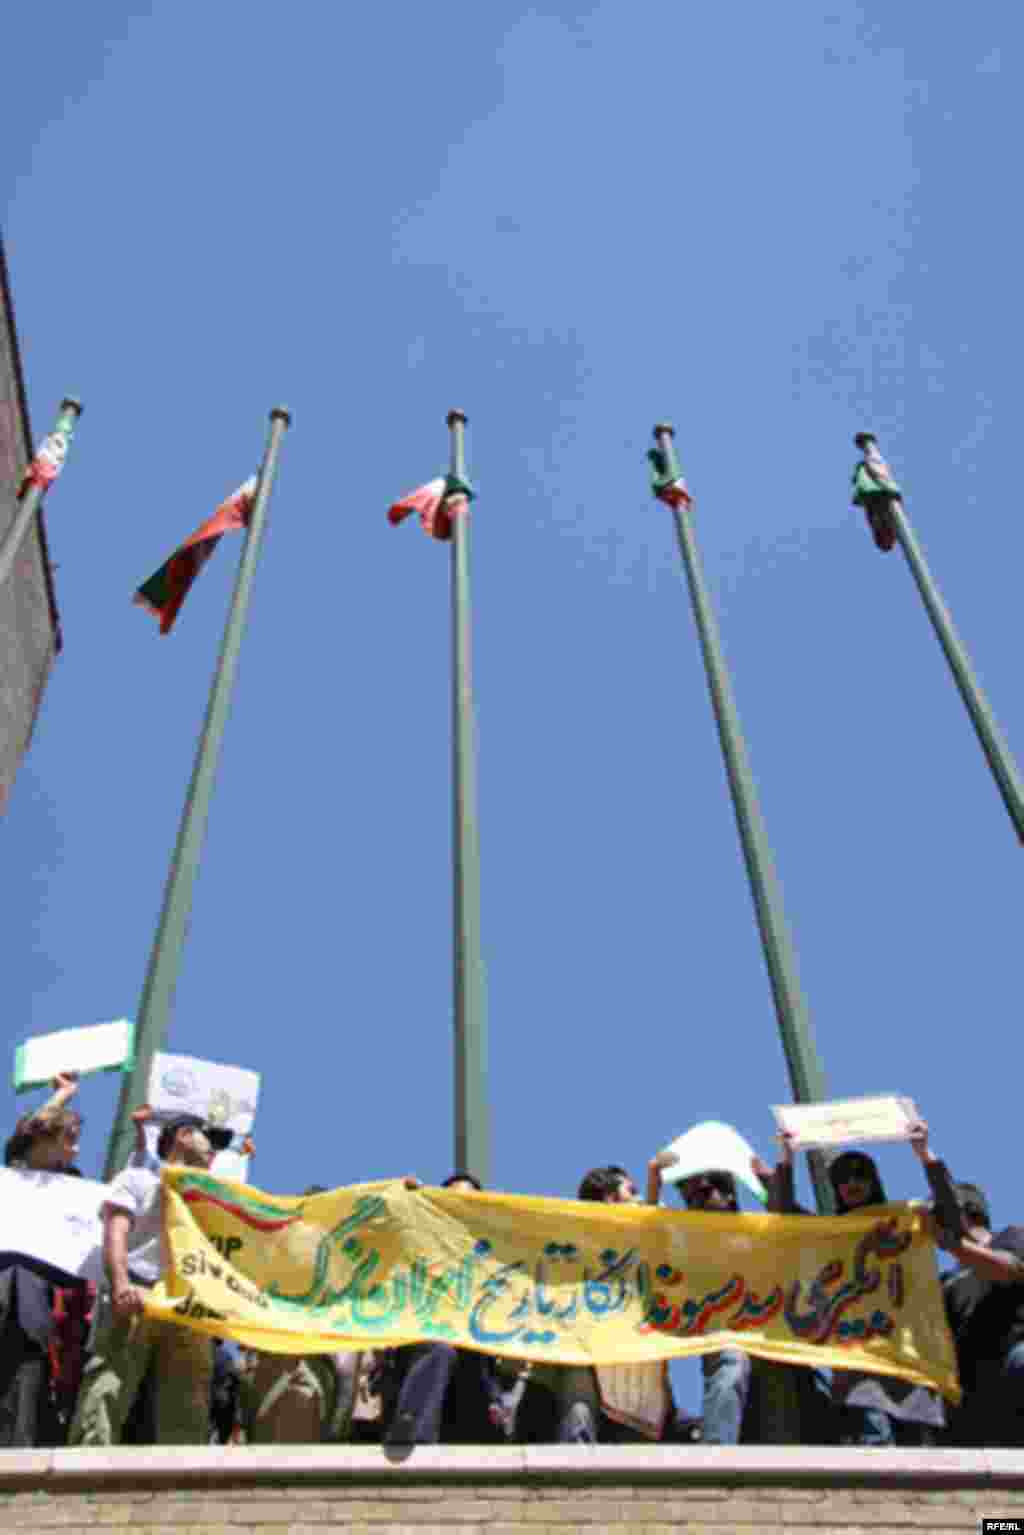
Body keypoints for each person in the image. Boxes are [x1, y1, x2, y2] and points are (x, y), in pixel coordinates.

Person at [771, 1123, 952, 1446]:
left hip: (908, 1360)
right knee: (876, 1451)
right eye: (843, 1179)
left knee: (921, 1467)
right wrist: (786, 1157)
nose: (852, 1184)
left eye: (860, 1175)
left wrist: (925, 1155)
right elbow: (783, 1216)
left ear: (874, 1180)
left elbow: (950, 1215)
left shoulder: (904, 1224)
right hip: (859, 1363)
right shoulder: (832, 1232)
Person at [68, 1114, 219, 1445]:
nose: (215, 1150)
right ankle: (86, 1465)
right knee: (110, 1381)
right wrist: (121, 1284)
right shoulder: (137, 1179)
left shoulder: (210, 1201)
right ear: (183, 1135)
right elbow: (115, 1233)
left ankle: (184, 1476)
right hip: (138, 1290)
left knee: (188, 1397)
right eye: (211, 1138)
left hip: (187, 1304)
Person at [384, 1173, 506, 1447]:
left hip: (474, 1381)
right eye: (452, 1200)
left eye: (470, 1201)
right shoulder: (420, 1246)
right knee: (440, 1348)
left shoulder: (493, 1259)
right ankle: (414, 1440)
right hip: (422, 1360)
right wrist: (403, 1197)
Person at [649, 1152, 761, 1446]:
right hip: (724, 1333)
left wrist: (780, 1169)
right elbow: (650, 1230)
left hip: (771, 1337)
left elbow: (788, 1215)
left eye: (703, 1192)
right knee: (730, 1365)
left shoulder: (761, 1232)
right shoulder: (689, 1238)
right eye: (689, 1199)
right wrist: (653, 1181)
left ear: (727, 1194)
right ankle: (715, 1454)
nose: (695, 1203)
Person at [0, 1073, 86, 1446]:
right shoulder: (14, 1173)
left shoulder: (70, 1186)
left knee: (21, 1399)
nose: (77, 1151)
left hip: (31, 1317)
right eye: (70, 1141)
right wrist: (62, 1096)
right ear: (48, 1140)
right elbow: (28, 1133)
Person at [939, 1180, 1024, 1447]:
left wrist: (954, 1245)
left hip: (1013, 1363)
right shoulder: (947, 1282)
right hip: (975, 1389)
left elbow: (1009, 1270)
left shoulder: (1012, 1237)